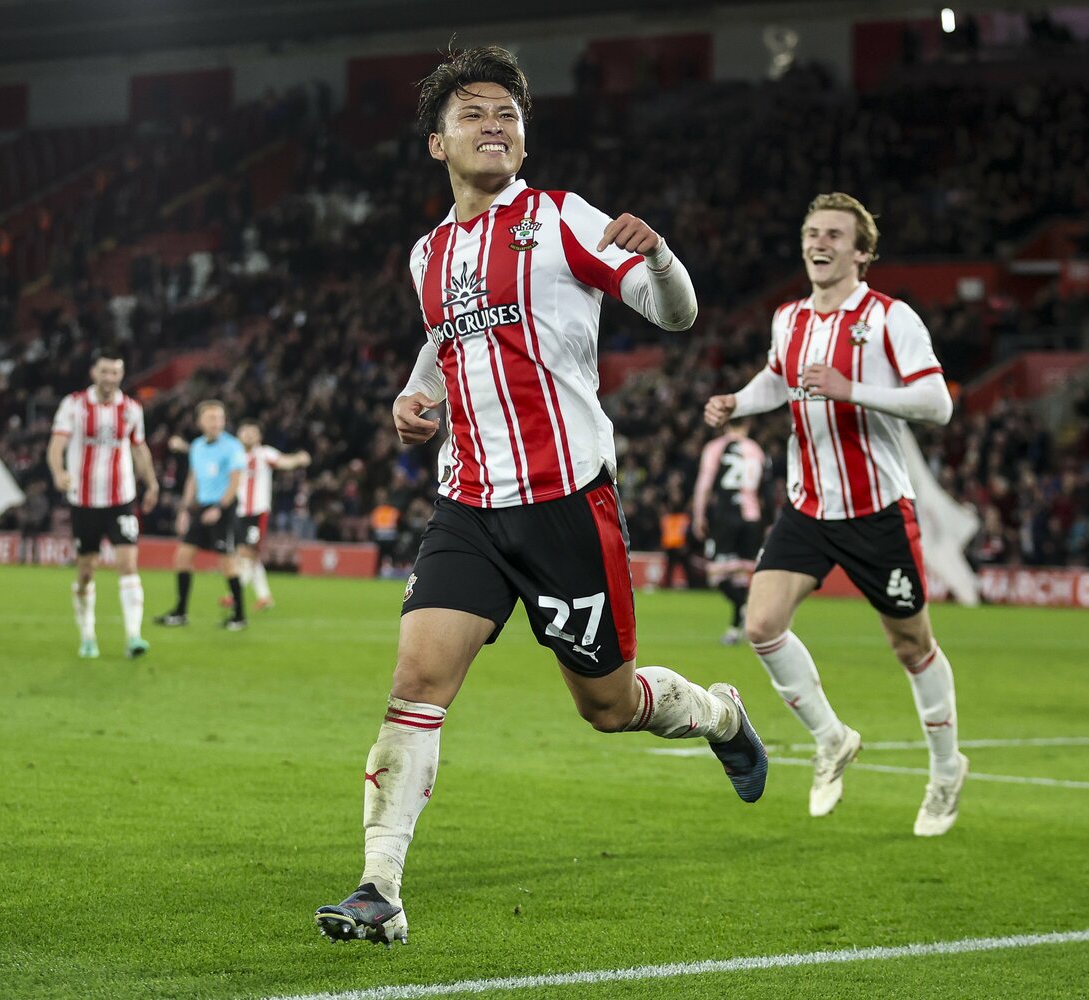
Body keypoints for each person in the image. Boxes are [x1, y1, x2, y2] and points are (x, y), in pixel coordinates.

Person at [313, 45, 766, 947]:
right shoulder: (427, 255)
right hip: (469, 506)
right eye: (473, 113)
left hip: (566, 504)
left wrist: (660, 255)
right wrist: (416, 395)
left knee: (608, 707)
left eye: (508, 115)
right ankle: (379, 887)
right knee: (416, 682)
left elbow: (674, 313)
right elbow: (445, 340)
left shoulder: (561, 219)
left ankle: (719, 714)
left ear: (523, 138)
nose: (494, 125)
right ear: (437, 143)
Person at [704, 192, 967, 829]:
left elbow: (937, 403)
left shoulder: (889, 318)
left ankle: (946, 768)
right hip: (808, 507)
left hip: (877, 509)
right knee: (762, 624)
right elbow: (778, 378)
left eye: (834, 235)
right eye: (812, 233)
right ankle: (831, 738)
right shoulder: (789, 318)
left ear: (862, 253)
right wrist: (739, 402)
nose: (819, 243)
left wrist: (854, 390)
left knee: (911, 644)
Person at [46, 349, 160, 659]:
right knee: (86, 572)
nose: (110, 378)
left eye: (115, 372)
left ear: (121, 375)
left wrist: (151, 482)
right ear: (94, 373)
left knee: (128, 564)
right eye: (104, 371)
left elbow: (139, 448)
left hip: (120, 498)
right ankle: (87, 635)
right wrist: (59, 473)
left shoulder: (131, 408)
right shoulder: (74, 405)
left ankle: (134, 636)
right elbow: (56, 444)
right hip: (84, 500)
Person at [154, 400, 248, 630]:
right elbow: (193, 480)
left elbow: (235, 481)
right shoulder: (197, 446)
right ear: (200, 422)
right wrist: (185, 510)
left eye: (220, 418)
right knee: (182, 557)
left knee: (227, 562)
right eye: (211, 418)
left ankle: (239, 616)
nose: (216, 422)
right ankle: (180, 612)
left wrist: (219, 508)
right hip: (202, 507)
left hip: (224, 508)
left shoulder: (232, 446)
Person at [203, 421, 309, 612]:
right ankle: (264, 597)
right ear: (239, 435)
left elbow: (284, 462)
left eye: (253, 432)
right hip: (238, 511)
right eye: (245, 432)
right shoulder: (234, 455)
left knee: (246, 553)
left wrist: (299, 459)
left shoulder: (264, 454)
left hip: (257, 513)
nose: (249, 435)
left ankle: (234, 595)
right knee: (250, 556)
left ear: (259, 437)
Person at [692, 420, 768, 645]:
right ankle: (735, 629)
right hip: (752, 518)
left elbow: (704, 484)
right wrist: (768, 521)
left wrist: (699, 515)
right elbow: (767, 487)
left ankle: (744, 608)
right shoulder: (756, 449)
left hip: (726, 518)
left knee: (716, 575)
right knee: (740, 578)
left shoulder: (715, 447)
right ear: (747, 424)